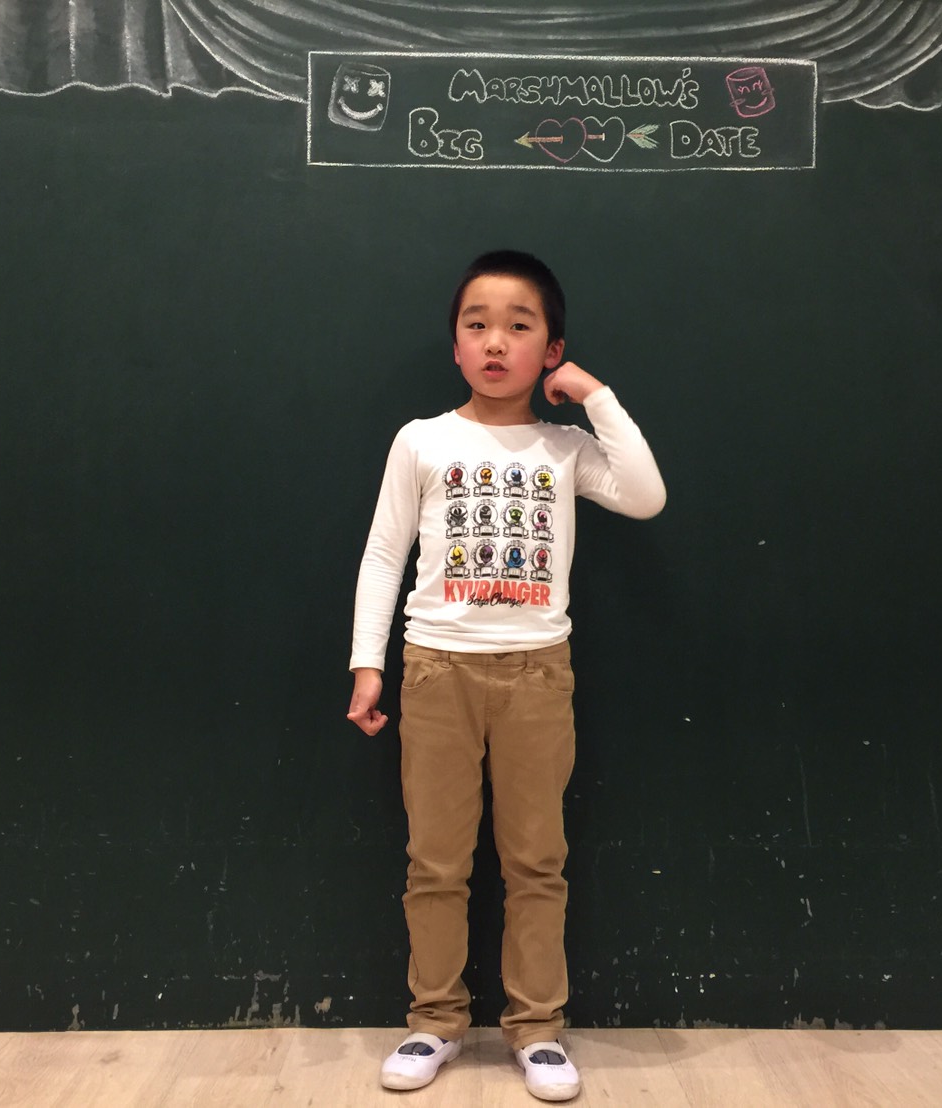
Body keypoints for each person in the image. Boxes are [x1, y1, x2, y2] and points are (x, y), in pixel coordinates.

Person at [346, 250, 666, 1101]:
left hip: (536, 677)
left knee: (536, 862)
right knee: (435, 862)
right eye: (477, 324)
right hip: (436, 671)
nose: (495, 342)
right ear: (455, 344)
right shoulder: (422, 440)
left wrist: (594, 395)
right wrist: (368, 663)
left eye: (519, 326)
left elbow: (645, 496)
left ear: (550, 350)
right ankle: (435, 1020)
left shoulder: (564, 447)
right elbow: (384, 554)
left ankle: (537, 1029)